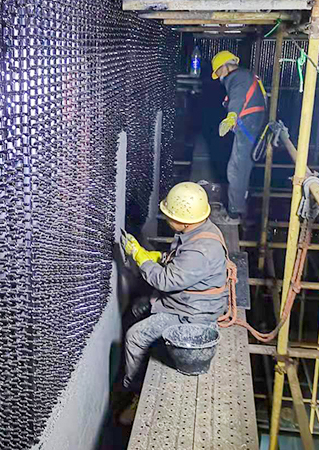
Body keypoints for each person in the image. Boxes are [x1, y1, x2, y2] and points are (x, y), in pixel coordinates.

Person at [117, 182, 229, 424]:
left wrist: (140, 258)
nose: (166, 218)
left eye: (170, 215)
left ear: (184, 221)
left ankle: (133, 391)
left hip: (193, 315)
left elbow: (165, 281)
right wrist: (159, 257)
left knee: (135, 336)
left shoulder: (201, 251)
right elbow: (180, 262)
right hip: (189, 301)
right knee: (139, 306)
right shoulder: (199, 231)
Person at [211, 50, 268, 224]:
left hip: (248, 124)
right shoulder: (246, 74)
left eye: (218, 72)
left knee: (236, 169)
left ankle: (234, 214)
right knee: (242, 168)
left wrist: (231, 117)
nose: (219, 77)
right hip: (254, 123)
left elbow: (237, 98)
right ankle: (239, 205)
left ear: (225, 66)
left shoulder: (236, 77)